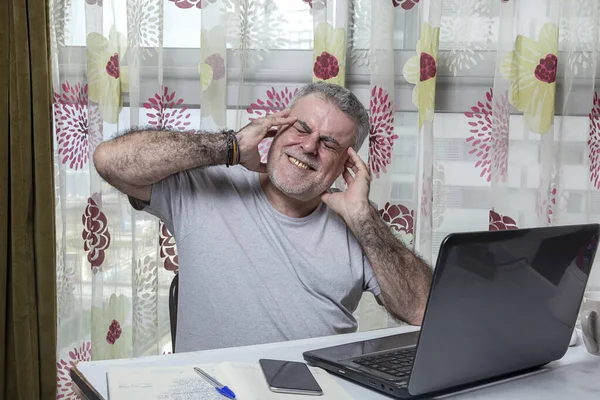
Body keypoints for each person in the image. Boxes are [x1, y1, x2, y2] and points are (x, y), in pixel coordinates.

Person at [93, 82, 432, 353]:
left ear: (347, 164)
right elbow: (110, 160)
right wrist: (230, 146)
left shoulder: (358, 224)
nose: (309, 146)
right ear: (276, 129)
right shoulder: (208, 185)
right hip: (212, 389)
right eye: (301, 127)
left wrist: (364, 219)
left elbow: (424, 311)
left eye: (329, 143)